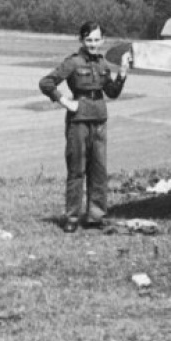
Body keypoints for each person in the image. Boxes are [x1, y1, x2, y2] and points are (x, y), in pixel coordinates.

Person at [39, 21, 130, 233]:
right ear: (81, 40)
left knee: (98, 170)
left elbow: (112, 93)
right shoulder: (72, 62)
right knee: (77, 169)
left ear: (103, 41)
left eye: (97, 40)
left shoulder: (104, 64)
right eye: (89, 40)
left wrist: (123, 72)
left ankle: (96, 216)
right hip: (78, 120)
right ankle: (72, 216)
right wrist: (65, 101)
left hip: (99, 119)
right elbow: (46, 83)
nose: (93, 44)